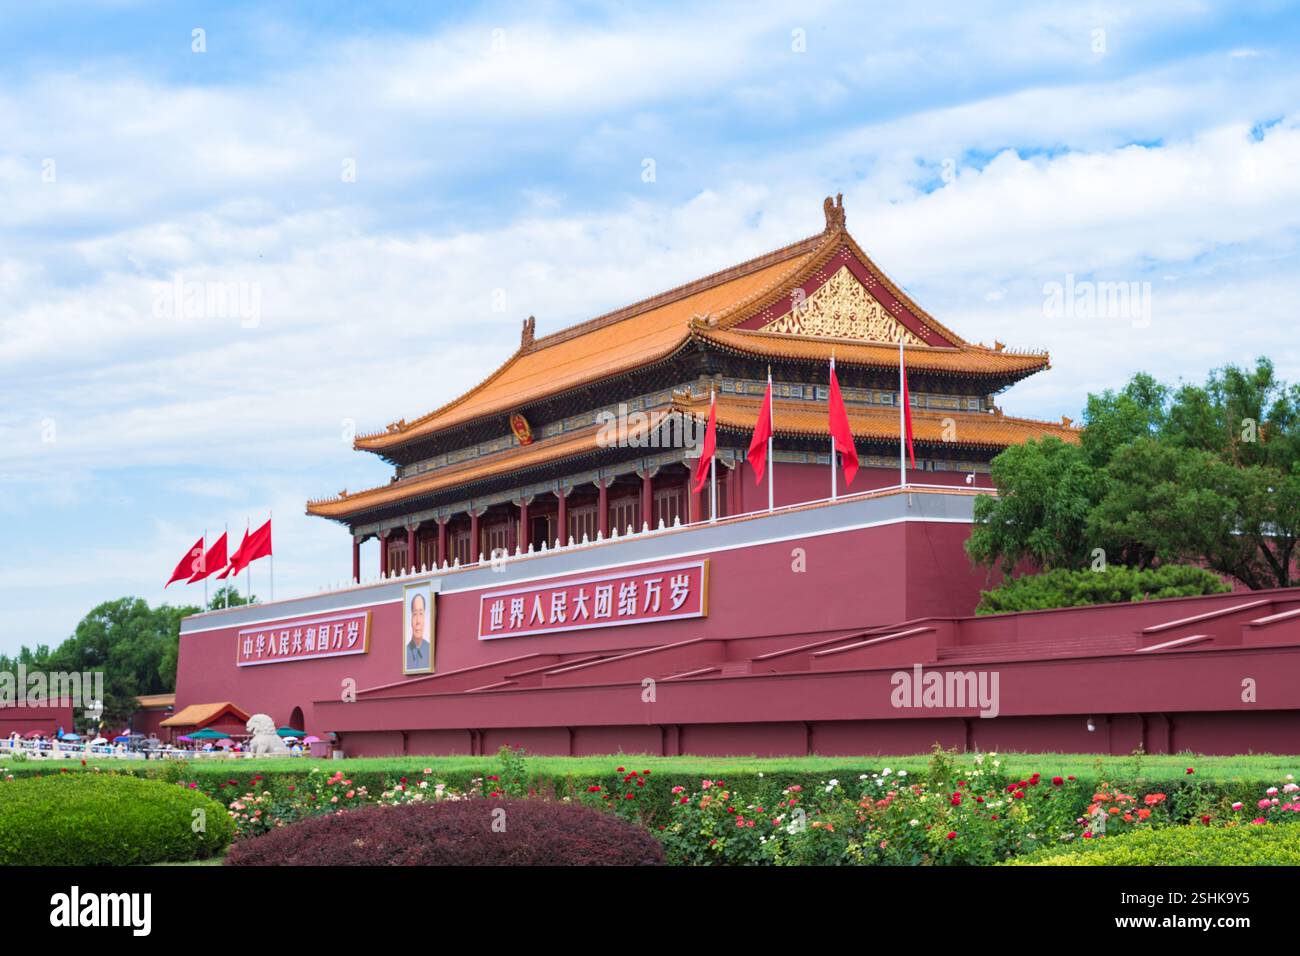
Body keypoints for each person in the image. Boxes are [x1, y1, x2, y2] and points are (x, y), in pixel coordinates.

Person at [406, 591, 430, 671]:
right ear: (410, 619)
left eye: (421, 613)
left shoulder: (430, 649)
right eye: (415, 614)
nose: (418, 622)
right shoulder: (405, 652)